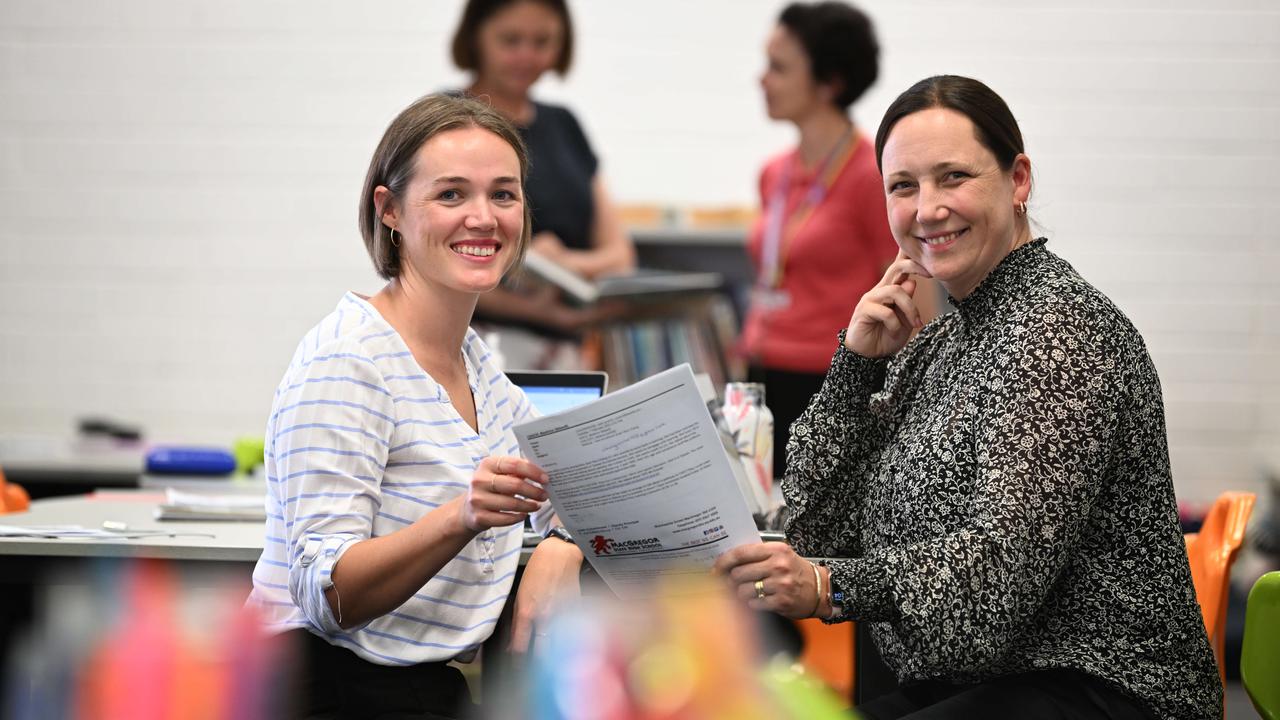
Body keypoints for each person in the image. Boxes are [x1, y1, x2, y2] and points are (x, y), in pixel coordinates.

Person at [714, 75, 1222, 719]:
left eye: (953, 177)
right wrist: (854, 369)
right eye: (904, 186)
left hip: (1098, 687)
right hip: (979, 679)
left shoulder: (1059, 333)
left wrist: (828, 585)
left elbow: (997, 578)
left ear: (1017, 181)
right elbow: (822, 529)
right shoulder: (944, 336)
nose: (927, 209)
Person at [247, 93, 584, 719]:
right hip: (319, 686)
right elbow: (329, 596)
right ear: (391, 210)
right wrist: (463, 516)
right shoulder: (348, 362)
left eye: (503, 195)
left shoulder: (477, 366)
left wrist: (561, 546)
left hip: (416, 686)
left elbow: (576, 486)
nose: (483, 217)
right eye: (451, 194)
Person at [741, 1, 912, 482]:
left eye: (779, 67)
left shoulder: (869, 175)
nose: (762, 79)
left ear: (829, 81)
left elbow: (909, 287)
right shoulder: (773, 173)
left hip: (832, 377)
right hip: (762, 370)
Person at [451, 0, 635, 366]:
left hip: (564, 354)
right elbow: (429, 259)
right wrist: (528, 277)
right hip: (476, 349)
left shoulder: (564, 124)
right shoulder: (447, 121)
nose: (526, 56)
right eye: (510, 40)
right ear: (476, 38)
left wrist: (564, 261)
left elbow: (620, 256)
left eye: (542, 42)